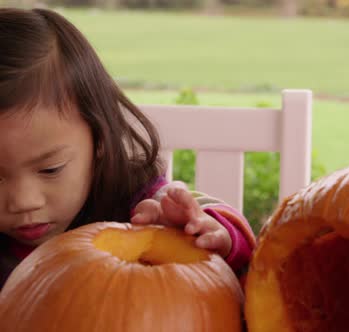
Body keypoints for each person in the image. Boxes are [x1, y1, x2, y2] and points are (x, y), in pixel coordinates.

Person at [0, 8, 255, 288]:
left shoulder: (143, 208)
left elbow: (243, 256)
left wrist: (211, 235)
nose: (23, 201)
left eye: (50, 169)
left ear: (100, 137)